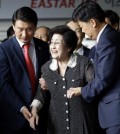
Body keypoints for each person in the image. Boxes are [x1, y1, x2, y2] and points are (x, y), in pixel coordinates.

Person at [29, 25, 101, 134]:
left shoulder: (83, 63)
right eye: (51, 42)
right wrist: (34, 109)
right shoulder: (46, 68)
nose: (53, 46)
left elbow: (94, 89)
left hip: (82, 123)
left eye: (57, 43)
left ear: (68, 47)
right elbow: (41, 93)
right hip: (56, 125)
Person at [69, 1, 120, 134]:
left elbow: (104, 78)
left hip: (115, 111)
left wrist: (82, 90)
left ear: (92, 22)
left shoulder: (107, 41)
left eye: (82, 27)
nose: (84, 32)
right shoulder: (109, 37)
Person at [0, 6, 50, 134]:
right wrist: (21, 107)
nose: (24, 34)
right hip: (13, 115)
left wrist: (37, 104)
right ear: (13, 26)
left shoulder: (44, 47)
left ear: (35, 26)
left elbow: (46, 77)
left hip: (40, 113)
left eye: (29, 29)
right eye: (20, 29)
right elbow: (3, 84)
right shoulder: (4, 49)